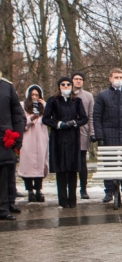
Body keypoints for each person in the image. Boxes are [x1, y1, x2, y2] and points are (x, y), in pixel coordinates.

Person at [93, 68, 122, 203]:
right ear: (110, 78)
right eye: (116, 77)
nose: (118, 80)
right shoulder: (103, 95)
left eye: (120, 77)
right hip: (109, 134)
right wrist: (100, 136)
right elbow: (97, 117)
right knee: (109, 164)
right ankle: (110, 191)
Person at [42, 77, 88, 208]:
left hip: (73, 137)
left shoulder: (77, 101)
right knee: (61, 170)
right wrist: (58, 124)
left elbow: (83, 118)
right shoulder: (53, 101)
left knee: (73, 170)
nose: (66, 86)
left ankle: (72, 201)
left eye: (68, 84)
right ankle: (62, 200)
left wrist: (74, 123)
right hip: (58, 138)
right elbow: (46, 119)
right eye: (63, 84)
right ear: (59, 86)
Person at [0, 72, 24, 220]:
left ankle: (3, 208)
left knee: (4, 174)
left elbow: (17, 114)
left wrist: (18, 136)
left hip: (3, 138)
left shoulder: (6, 86)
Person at [18, 85, 49, 203]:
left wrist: (45, 106)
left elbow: (50, 119)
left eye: (37, 95)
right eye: (32, 95)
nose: (35, 97)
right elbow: (21, 123)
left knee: (40, 166)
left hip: (40, 140)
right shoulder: (22, 106)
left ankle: (38, 190)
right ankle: (30, 190)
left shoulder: (43, 108)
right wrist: (31, 118)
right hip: (28, 139)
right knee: (28, 166)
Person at [72, 72, 94, 199]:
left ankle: (83, 189)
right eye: (76, 79)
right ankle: (72, 189)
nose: (78, 81)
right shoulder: (67, 94)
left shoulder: (88, 96)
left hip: (83, 132)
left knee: (82, 162)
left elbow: (91, 115)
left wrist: (92, 132)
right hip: (68, 133)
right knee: (71, 163)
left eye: (81, 79)